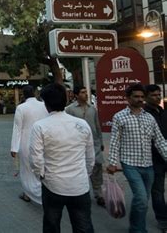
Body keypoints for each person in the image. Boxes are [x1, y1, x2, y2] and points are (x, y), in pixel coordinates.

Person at [29, 83, 95, 233]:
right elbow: (90, 157)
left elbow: (36, 159)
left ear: (45, 104)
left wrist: (42, 176)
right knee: (83, 226)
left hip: (53, 185)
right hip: (80, 185)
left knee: (52, 226)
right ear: (66, 100)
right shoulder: (82, 124)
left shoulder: (40, 126)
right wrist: (85, 174)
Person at [108, 84, 167, 233]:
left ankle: (135, 226)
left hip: (148, 165)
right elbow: (115, 141)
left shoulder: (149, 118)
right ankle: (137, 230)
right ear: (128, 98)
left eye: (142, 97)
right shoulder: (119, 117)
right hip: (130, 164)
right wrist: (112, 162)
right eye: (136, 96)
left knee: (143, 201)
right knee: (141, 197)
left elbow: (160, 141)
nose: (140, 99)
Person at [65, 86, 105, 207]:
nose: (86, 94)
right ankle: (80, 193)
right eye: (82, 92)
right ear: (76, 95)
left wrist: (101, 141)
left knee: (97, 167)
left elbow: (97, 126)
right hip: (77, 145)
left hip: (94, 143)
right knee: (80, 168)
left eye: (86, 92)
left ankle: (99, 194)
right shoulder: (69, 110)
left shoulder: (92, 109)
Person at [10, 85, 48, 204]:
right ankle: (42, 191)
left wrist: (14, 148)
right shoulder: (44, 106)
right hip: (42, 140)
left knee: (26, 169)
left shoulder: (21, 108)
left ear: (23, 95)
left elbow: (17, 128)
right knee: (41, 168)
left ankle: (29, 194)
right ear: (35, 93)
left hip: (26, 141)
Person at [144, 84, 167, 231]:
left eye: (158, 94)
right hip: (154, 159)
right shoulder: (144, 114)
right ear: (146, 97)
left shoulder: (163, 111)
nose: (157, 97)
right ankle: (163, 220)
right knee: (157, 191)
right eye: (153, 95)